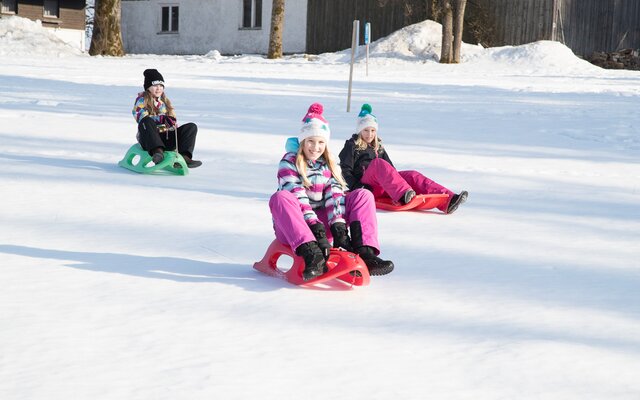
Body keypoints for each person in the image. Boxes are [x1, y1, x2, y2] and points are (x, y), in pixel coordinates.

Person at [269, 103, 394, 281]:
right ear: (303, 141)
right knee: (281, 197)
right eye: (310, 141)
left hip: (323, 225)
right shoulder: (289, 162)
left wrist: (340, 232)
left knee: (362, 194)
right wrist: (317, 231)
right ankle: (312, 255)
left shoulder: (329, 163)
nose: (315, 147)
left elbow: (334, 197)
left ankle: (365, 252)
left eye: (321, 142)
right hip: (294, 227)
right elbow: (299, 197)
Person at [338, 104, 468, 214]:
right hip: (366, 187)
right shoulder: (352, 145)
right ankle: (403, 194)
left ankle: (448, 199)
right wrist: (357, 186)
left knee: (412, 174)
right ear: (360, 130)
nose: (370, 134)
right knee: (378, 163)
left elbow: (391, 170)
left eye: (373, 130)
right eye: (366, 130)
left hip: (383, 187)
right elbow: (344, 169)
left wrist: (400, 181)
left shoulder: (378, 147)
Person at [132, 69, 202, 168]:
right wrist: (161, 119)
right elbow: (140, 117)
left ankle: (184, 157)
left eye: (161, 86)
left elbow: (172, 119)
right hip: (148, 139)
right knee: (146, 121)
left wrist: (171, 121)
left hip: (166, 137)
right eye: (155, 85)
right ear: (148, 87)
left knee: (191, 127)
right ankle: (157, 152)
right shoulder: (141, 100)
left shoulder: (165, 101)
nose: (158, 88)